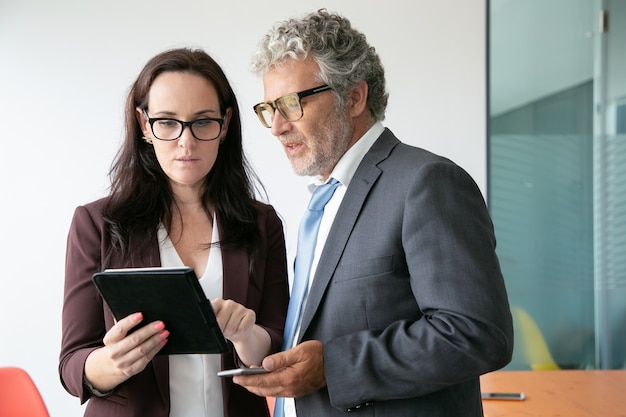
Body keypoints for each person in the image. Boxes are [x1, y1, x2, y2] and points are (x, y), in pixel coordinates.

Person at [235, 9, 514, 417]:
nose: (276, 126)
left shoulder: (427, 182)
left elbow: (477, 334)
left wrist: (333, 366)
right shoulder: (322, 201)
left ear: (354, 97)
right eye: (268, 108)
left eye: (291, 103)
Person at [59, 48, 289, 417]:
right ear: (144, 124)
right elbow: (72, 364)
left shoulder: (262, 223)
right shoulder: (97, 223)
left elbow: (279, 345)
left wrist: (247, 336)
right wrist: (112, 362)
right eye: (167, 122)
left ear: (226, 123)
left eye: (202, 122)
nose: (187, 142)